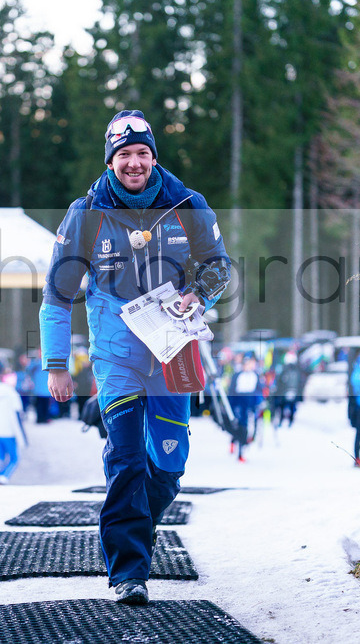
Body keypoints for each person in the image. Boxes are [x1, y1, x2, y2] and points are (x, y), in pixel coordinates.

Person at [40, 109, 231, 605]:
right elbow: (58, 293)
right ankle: (129, 572)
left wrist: (199, 296)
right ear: (110, 160)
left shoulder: (188, 203)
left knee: (167, 470)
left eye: (142, 153)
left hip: (174, 353)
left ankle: (131, 529)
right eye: (123, 155)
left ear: (153, 156)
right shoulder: (87, 212)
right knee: (125, 461)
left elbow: (218, 266)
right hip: (117, 356)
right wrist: (56, 365)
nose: (134, 163)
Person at [0, 364, 27, 484]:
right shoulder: (13, 395)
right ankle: (4, 476)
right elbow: (17, 417)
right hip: (8, 431)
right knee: (14, 458)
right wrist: (22, 438)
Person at [229, 355, 262, 461]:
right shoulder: (237, 375)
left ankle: (242, 449)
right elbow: (232, 390)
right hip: (239, 404)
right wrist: (231, 405)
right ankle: (235, 445)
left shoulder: (255, 375)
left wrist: (260, 402)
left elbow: (258, 390)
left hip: (250, 404)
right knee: (239, 426)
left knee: (248, 427)